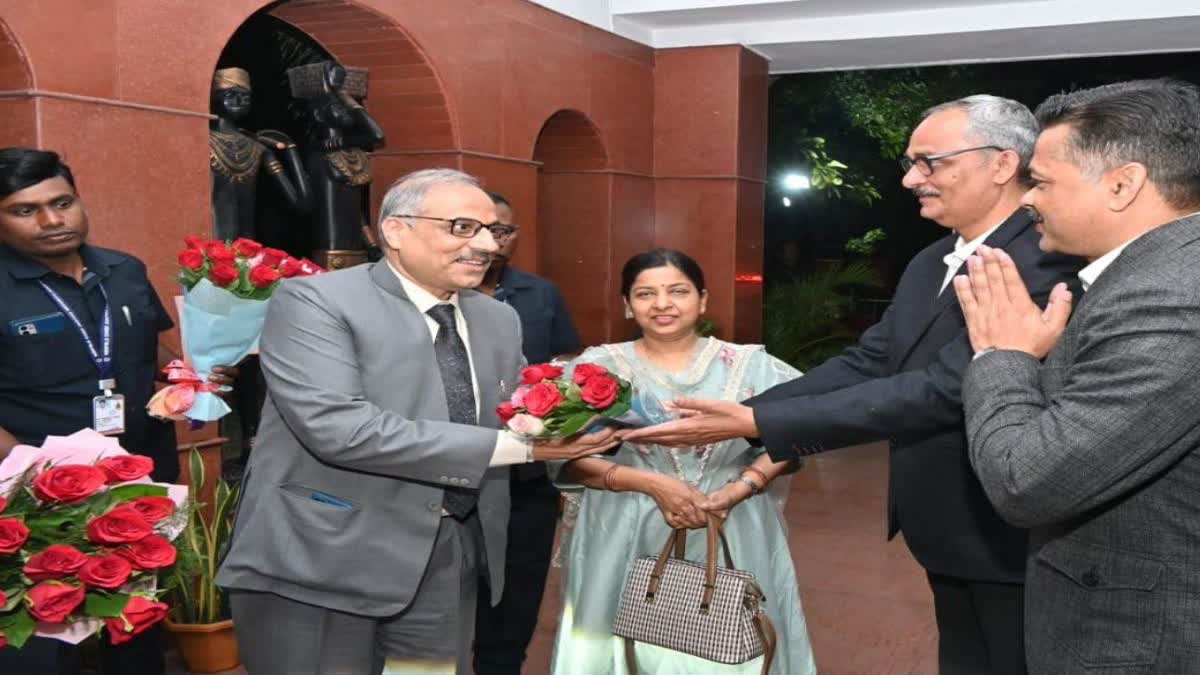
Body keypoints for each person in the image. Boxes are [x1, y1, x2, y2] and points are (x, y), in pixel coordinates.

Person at [625, 96, 1085, 674]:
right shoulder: (932, 260)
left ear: (1000, 163)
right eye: (911, 162)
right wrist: (745, 412)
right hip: (945, 524)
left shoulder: (1045, 258)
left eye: (930, 162)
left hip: (1005, 528)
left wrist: (760, 424)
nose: (911, 178)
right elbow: (871, 360)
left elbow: (947, 389)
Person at [216, 168, 619, 675]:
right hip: (324, 555)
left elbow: (526, 415)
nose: (485, 245)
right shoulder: (317, 301)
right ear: (396, 230)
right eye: (462, 227)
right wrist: (524, 449)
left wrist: (584, 427)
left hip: (449, 556)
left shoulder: (498, 318)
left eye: (492, 231)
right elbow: (340, 430)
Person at [953, 79, 1200, 674]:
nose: (1027, 199)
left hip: (1135, 640)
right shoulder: (1150, 273)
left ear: (1123, 184)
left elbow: (1027, 480)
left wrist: (1001, 355)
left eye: (1039, 180)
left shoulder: (1172, 295)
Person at [0, 147, 236, 674]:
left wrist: (190, 378)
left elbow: (147, 350)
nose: (51, 220)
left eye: (62, 202)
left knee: (136, 628)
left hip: (141, 481)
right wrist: (29, 473)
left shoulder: (123, 270)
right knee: (40, 641)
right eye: (24, 210)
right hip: (37, 499)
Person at [547, 248, 817, 674]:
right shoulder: (595, 368)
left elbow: (798, 434)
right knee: (618, 640)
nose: (662, 304)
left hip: (732, 520)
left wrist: (743, 485)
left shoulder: (750, 365)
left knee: (731, 639)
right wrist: (652, 484)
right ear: (627, 305)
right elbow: (566, 458)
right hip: (624, 526)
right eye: (645, 294)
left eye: (678, 291)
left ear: (703, 299)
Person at [473, 192, 580, 675]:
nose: (490, 242)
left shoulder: (541, 294)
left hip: (526, 478)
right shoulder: (433, 296)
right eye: (476, 228)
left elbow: (566, 371)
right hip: (449, 475)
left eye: (502, 231)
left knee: (514, 604)